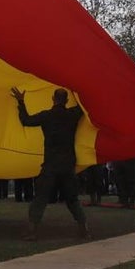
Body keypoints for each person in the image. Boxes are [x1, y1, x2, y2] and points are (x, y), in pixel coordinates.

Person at [10, 86, 90, 241]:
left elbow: (25, 120)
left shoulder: (47, 116)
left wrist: (21, 101)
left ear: (53, 99)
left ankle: (32, 231)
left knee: (40, 198)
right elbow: (84, 106)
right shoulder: (72, 115)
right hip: (67, 165)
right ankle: (84, 230)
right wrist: (77, 88)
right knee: (72, 200)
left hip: (51, 165)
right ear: (66, 101)